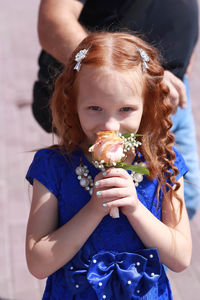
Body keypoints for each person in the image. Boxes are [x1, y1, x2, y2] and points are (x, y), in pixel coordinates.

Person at [26, 32, 192, 300]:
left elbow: (180, 257)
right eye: (94, 108)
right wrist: (94, 209)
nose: (110, 125)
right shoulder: (54, 167)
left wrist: (136, 209)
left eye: (126, 109)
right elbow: (37, 262)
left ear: (146, 106)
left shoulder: (162, 163)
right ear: (73, 104)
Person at [33, 0, 200, 219]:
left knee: (185, 198)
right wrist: (130, 75)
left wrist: (186, 53)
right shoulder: (109, 119)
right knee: (101, 202)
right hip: (114, 98)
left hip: (171, 91)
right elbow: (53, 21)